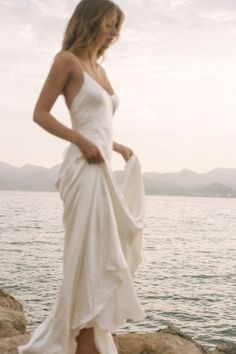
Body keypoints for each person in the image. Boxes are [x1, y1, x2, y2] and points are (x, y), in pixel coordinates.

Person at [18, 0, 146, 353]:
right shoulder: (67, 61)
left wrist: (117, 147)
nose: (114, 32)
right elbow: (40, 114)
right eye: (109, 24)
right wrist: (80, 140)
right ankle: (82, 338)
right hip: (82, 169)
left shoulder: (101, 72)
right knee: (89, 253)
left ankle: (90, 334)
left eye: (117, 26)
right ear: (89, 21)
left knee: (105, 249)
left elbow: (99, 125)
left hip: (102, 166)